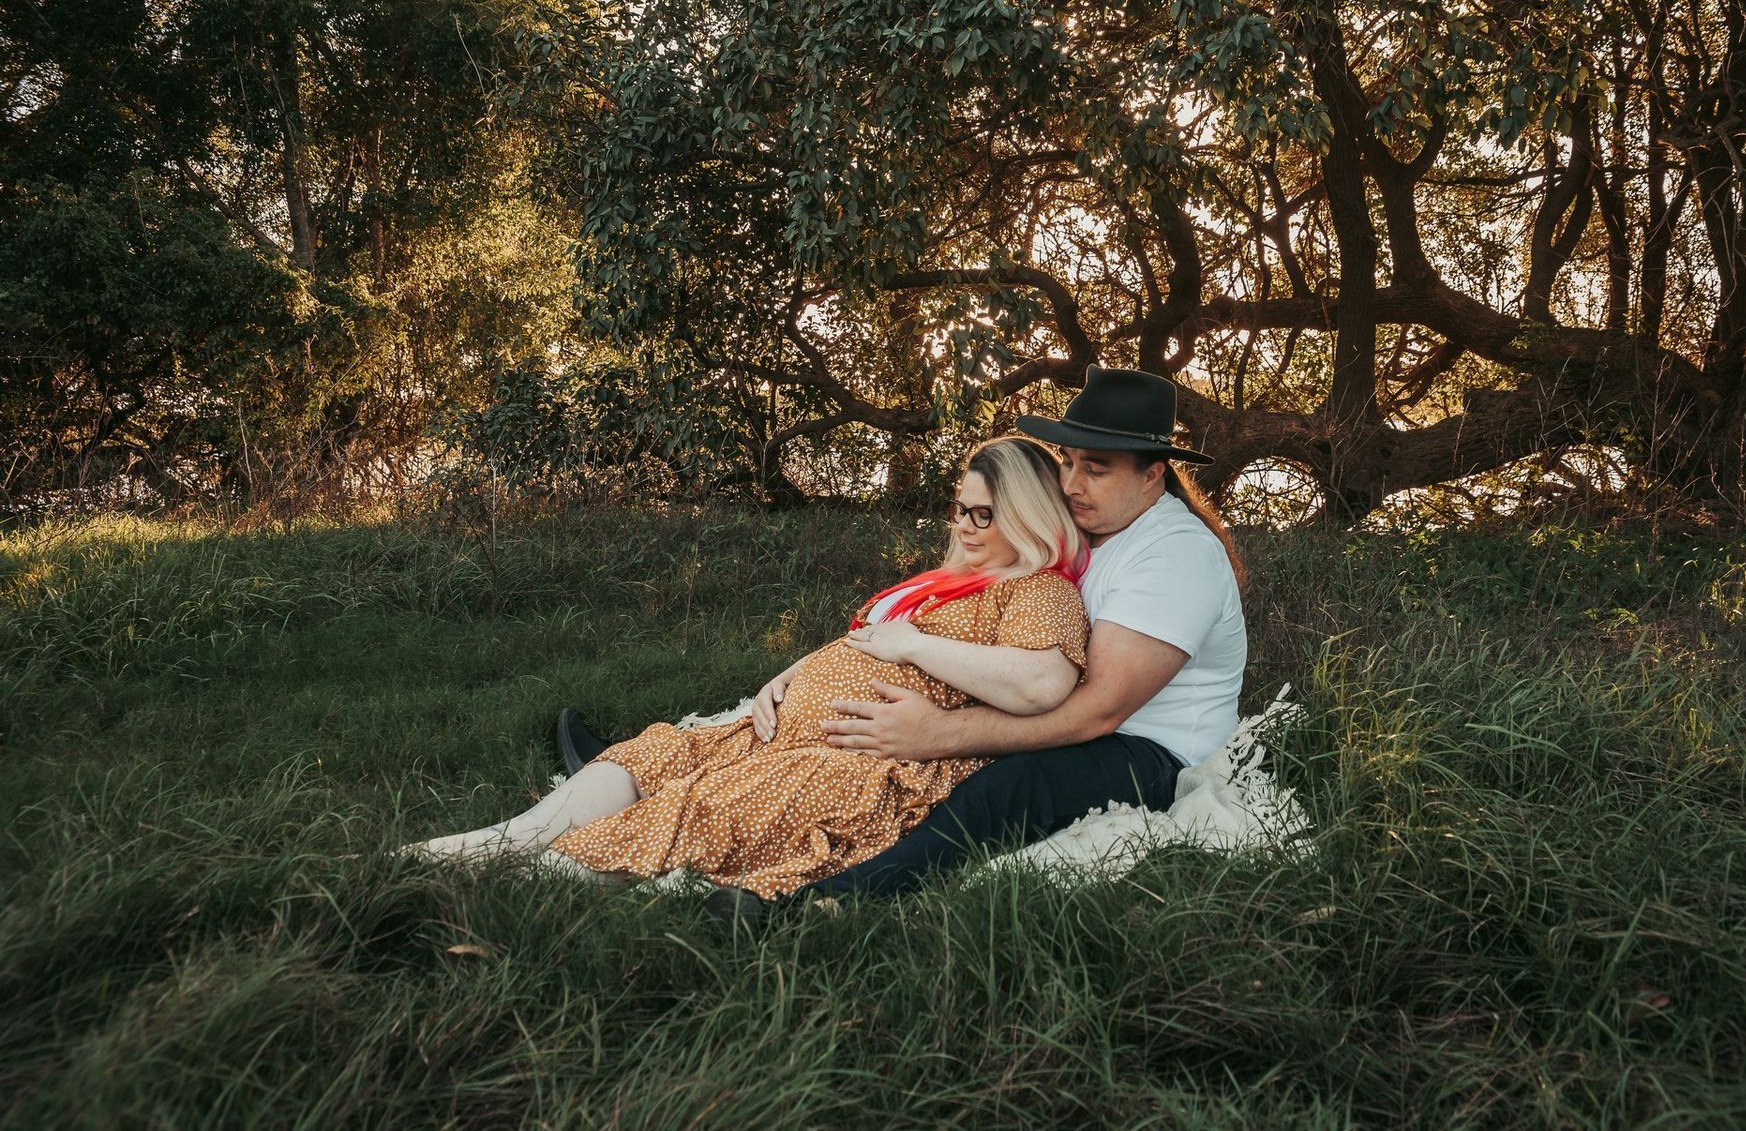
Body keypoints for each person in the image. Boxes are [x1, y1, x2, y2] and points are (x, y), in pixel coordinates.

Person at [406, 437, 1092, 899]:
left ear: (1027, 516)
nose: (965, 526)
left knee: (696, 809)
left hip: (861, 763)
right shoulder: (952, 582)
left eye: (984, 513)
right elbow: (863, 642)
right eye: (960, 509)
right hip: (786, 732)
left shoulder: (1038, 590)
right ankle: (494, 843)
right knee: (657, 755)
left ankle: (491, 882)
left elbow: (1041, 684)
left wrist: (911, 645)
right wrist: (788, 677)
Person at [785, 364, 1248, 900]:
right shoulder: (1091, 527)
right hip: (1058, 711)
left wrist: (940, 732)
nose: (1071, 485)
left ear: (1153, 475)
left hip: (1149, 749)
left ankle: (842, 898)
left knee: (1013, 786)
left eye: (1095, 470)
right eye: (1068, 462)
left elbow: (1100, 710)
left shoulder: (1175, 553)